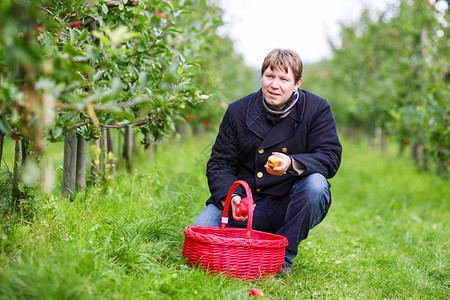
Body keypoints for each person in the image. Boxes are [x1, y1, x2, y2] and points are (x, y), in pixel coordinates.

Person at [193, 48, 342, 274]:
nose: (274, 85)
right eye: (269, 76)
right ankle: (252, 240)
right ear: (261, 76)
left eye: (284, 79)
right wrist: (231, 198)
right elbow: (220, 164)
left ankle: (282, 258)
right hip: (246, 204)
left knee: (317, 186)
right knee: (200, 232)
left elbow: (330, 156)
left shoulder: (316, 108)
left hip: (288, 204)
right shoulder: (238, 111)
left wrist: (291, 163)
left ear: (297, 83)